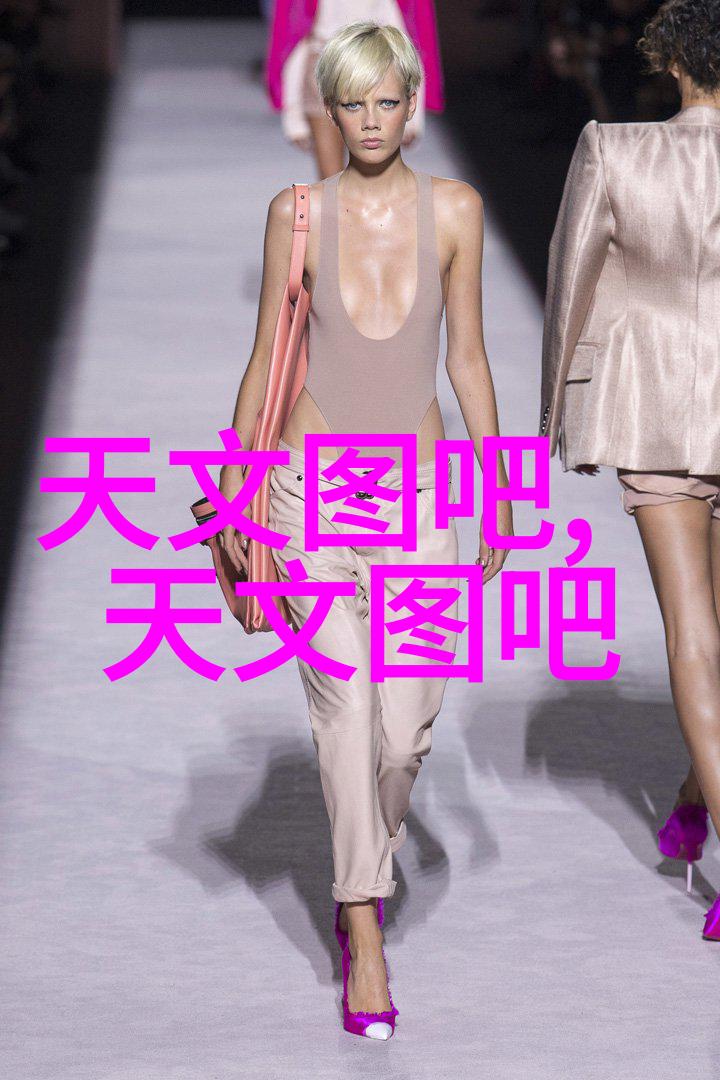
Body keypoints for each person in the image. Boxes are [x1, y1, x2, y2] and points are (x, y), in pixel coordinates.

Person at [222, 21, 513, 1037]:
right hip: (309, 493)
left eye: (388, 101)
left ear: (412, 104)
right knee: (346, 706)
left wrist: (497, 486)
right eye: (354, 103)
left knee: (405, 732)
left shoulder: (457, 210)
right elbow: (266, 353)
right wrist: (241, 493)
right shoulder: (296, 213)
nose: (373, 119)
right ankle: (364, 927)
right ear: (332, 112)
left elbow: (467, 356)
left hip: (421, 497)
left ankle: (363, 868)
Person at [539, 0, 720, 940]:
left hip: (655, 409)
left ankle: (699, 798)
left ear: (672, 64)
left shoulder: (616, 150)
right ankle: (698, 802)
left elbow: (571, 278)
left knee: (695, 635)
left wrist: (557, 420)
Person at [265, 0, 444, 177]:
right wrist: (293, 115)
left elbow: (407, 37)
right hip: (326, 68)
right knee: (331, 182)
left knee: (370, 181)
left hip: (373, 70)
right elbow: (295, 32)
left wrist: (413, 119)